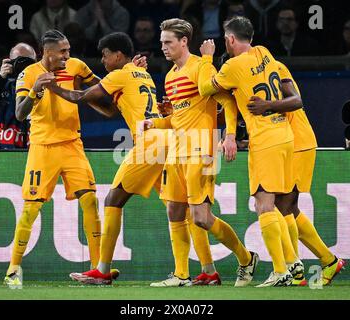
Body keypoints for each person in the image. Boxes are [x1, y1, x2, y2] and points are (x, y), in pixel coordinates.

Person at [46, 31, 223, 287]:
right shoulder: (143, 74)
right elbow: (107, 109)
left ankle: (103, 270)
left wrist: (52, 86)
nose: (103, 62)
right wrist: (87, 94)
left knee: (113, 198)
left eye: (106, 56)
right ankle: (208, 270)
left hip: (150, 140)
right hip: (169, 139)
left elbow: (80, 97)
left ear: (118, 55)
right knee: (180, 209)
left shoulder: (120, 74)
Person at [144, 18, 259, 288]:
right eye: (161, 43)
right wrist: (157, 122)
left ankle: (246, 258)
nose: (163, 47)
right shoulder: (171, 75)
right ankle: (181, 274)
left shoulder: (200, 67)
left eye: (168, 42)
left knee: (202, 218)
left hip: (200, 151)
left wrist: (230, 135)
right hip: (176, 151)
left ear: (184, 41)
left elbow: (228, 102)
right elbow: (178, 118)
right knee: (174, 210)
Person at [198, 16, 303, 287]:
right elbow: (292, 98)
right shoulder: (264, 53)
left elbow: (205, 88)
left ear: (231, 39)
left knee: (264, 205)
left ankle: (281, 271)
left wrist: (207, 59)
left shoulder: (232, 66)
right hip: (285, 136)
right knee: (280, 206)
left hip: (265, 138)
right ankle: (294, 264)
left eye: (225, 38)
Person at [3, 30, 111, 288]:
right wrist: (35, 91)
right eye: (63, 51)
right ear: (47, 52)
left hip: (73, 145)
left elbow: (103, 87)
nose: (67, 55)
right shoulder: (28, 75)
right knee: (31, 209)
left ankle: (98, 270)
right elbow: (19, 114)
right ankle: (13, 270)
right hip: (43, 148)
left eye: (68, 50)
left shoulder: (76, 67)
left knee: (89, 200)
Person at [247, 61, 347, 286]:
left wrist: (267, 106)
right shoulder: (264, 69)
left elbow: (295, 102)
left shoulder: (272, 68)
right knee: (287, 207)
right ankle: (320, 262)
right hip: (289, 141)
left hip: (297, 142)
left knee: (283, 206)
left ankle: (303, 267)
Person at [0, 43, 36, 149]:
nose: (24, 68)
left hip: (31, 150)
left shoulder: (40, 87)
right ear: (9, 62)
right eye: (19, 61)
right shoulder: (2, 83)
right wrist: (0, 78)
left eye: (28, 63)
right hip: (3, 150)